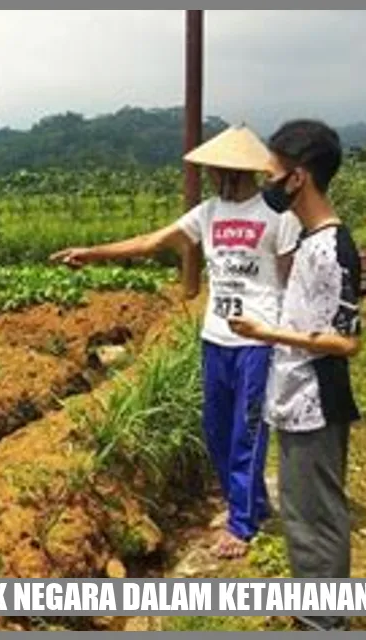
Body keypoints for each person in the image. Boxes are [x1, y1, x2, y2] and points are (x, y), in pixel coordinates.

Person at [50, 125, 301, 559]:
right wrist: (92, 252)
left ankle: (241, 525)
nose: (213, 177)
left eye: (218, 170)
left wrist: (288, 337)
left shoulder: (278, 216)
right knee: (216, 430)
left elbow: (291, 280)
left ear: (238, 171)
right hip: (215, 338)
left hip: (258, 341)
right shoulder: (208, 213)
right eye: (211, 170)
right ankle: (250, 504)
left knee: (248, 431)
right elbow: (152, 242)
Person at [227, 119, 361, 632]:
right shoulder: (309, 241)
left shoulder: (331, 247)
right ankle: (315, 614)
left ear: (298, 177)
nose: (268, 185)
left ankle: (324, 622)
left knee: (316, 518)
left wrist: (268, 333)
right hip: (295, 398)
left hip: (316, 402)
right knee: (302, 515)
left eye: (273, 175)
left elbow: (346, 341)